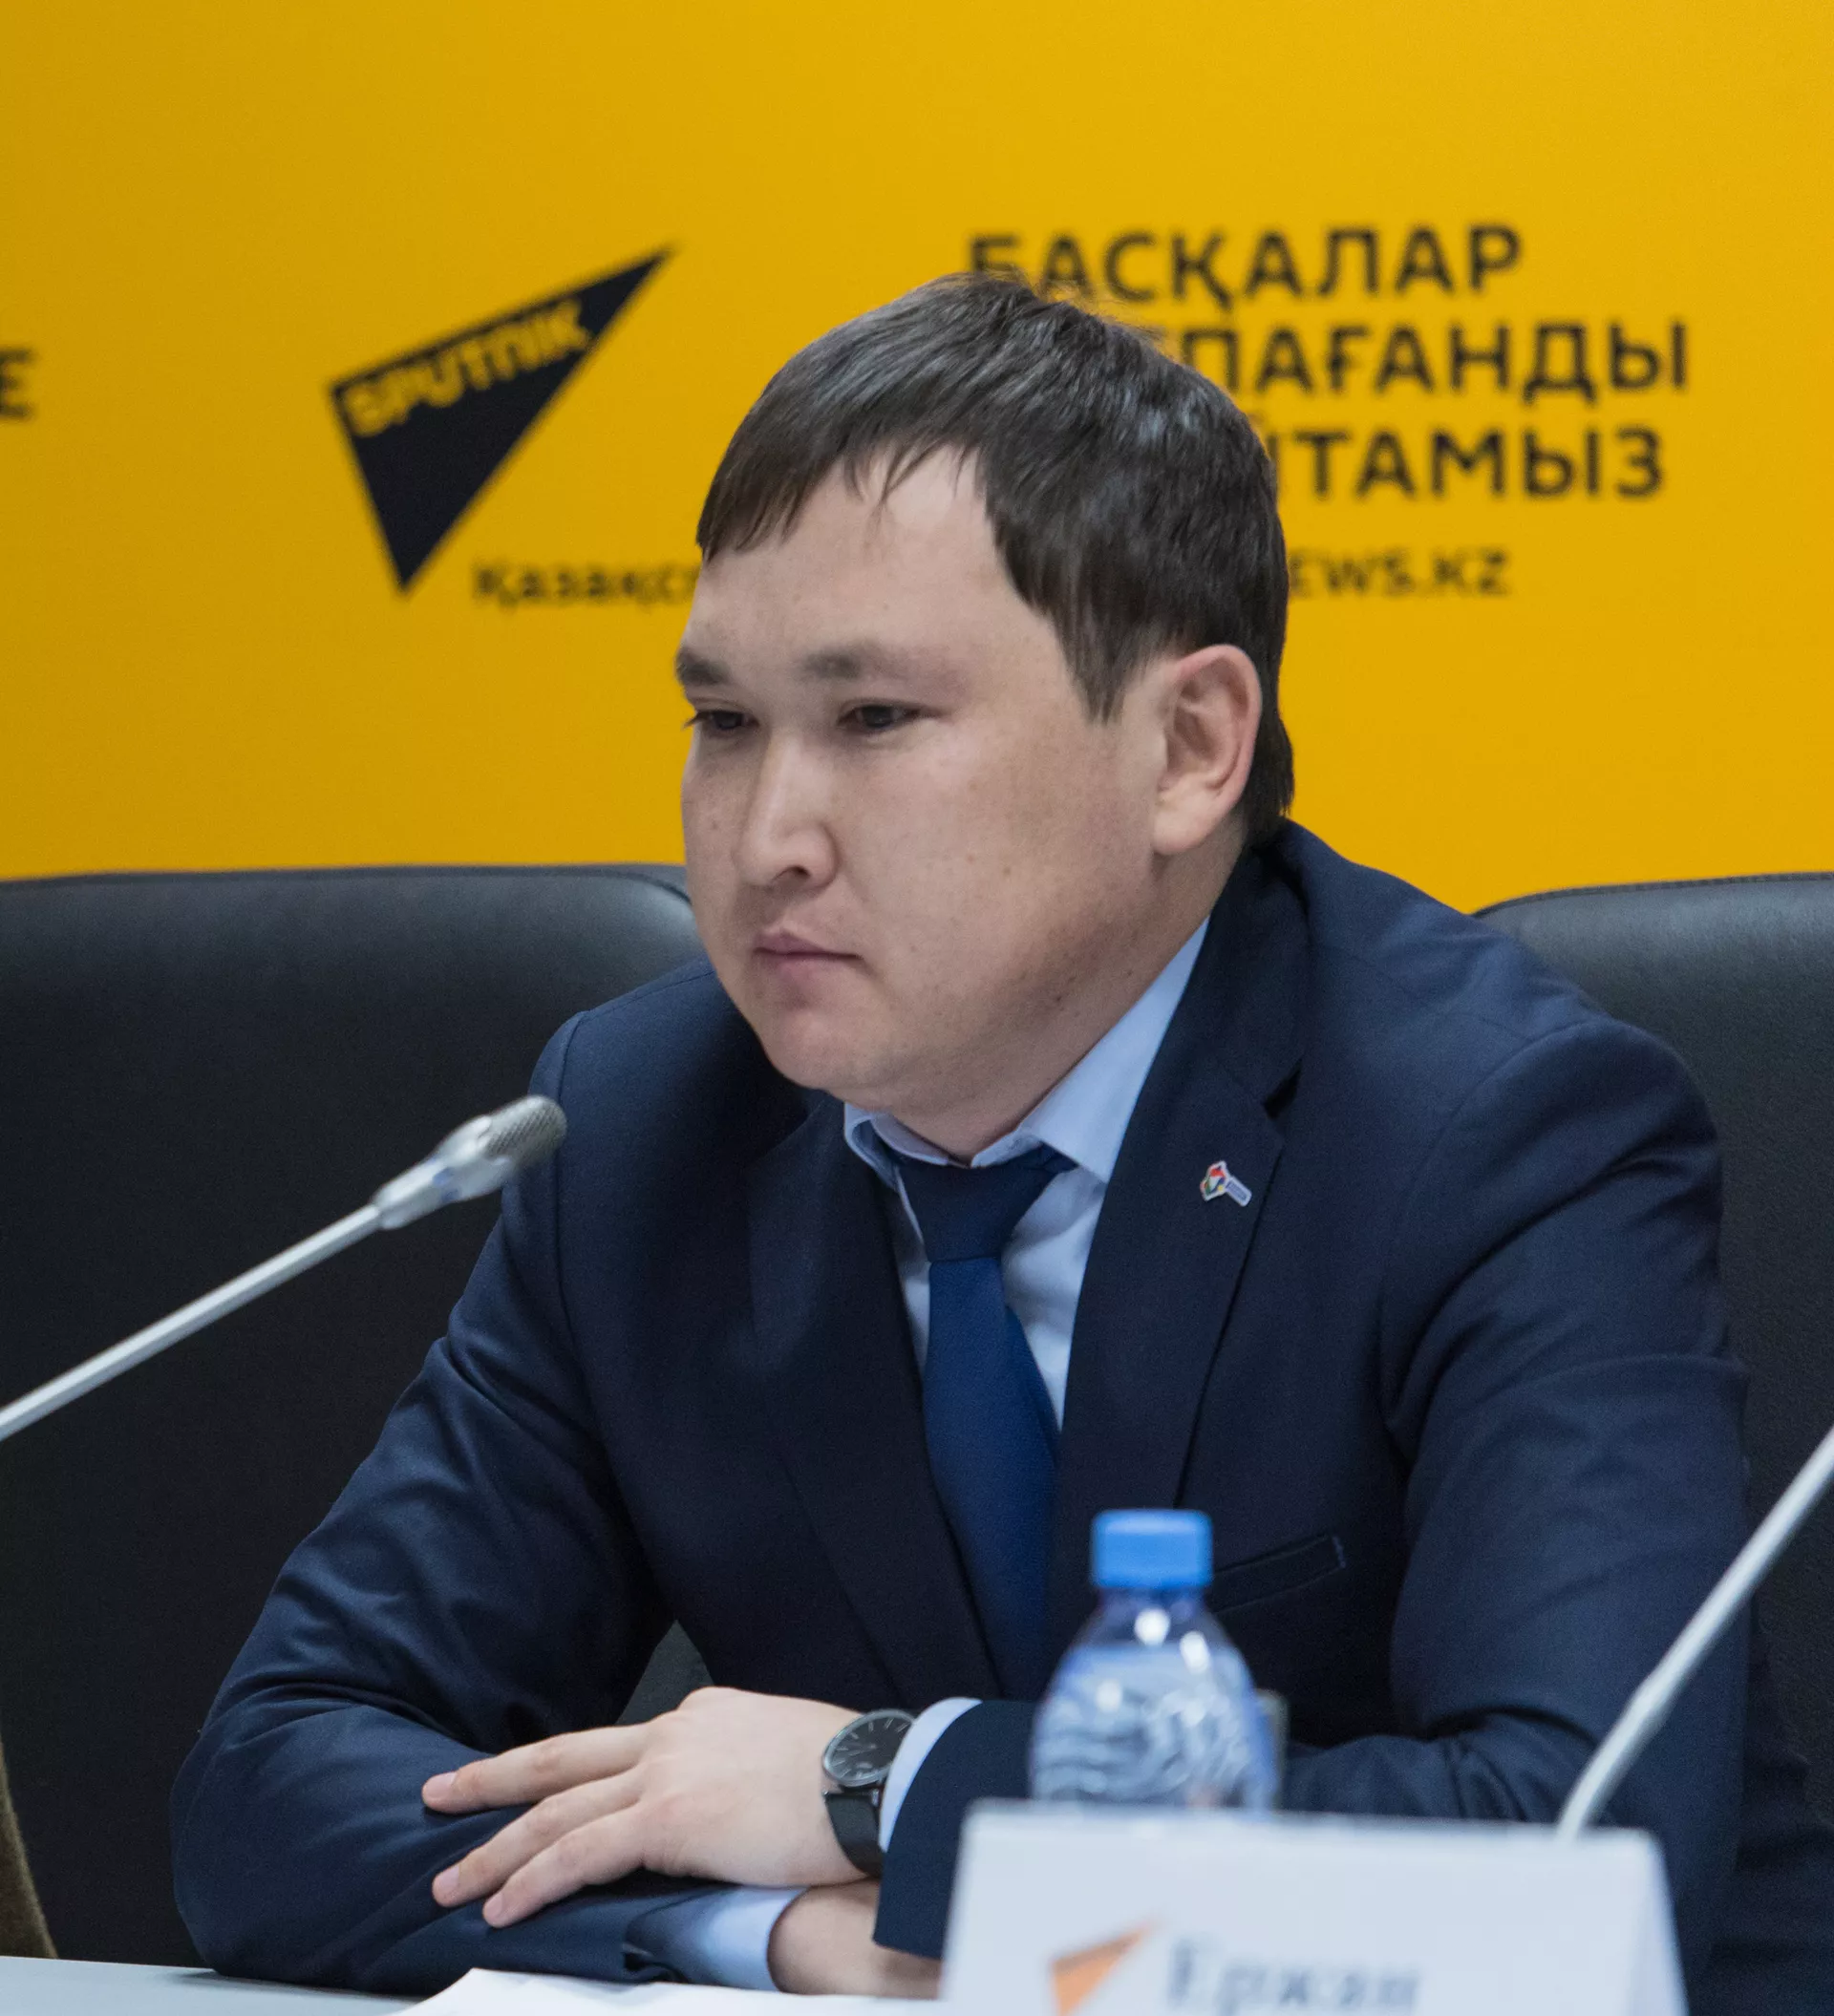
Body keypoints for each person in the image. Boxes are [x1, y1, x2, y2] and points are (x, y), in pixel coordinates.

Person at [173, 274, 1834, 2010]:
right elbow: (276, 1785)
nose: (766, 834)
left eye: (875, 720)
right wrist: (793, 1935)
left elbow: (1574, 1847)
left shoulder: (1494, 1133)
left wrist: (887, 1785)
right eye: (723, 722)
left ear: (1188, 747)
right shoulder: (644, 1128)